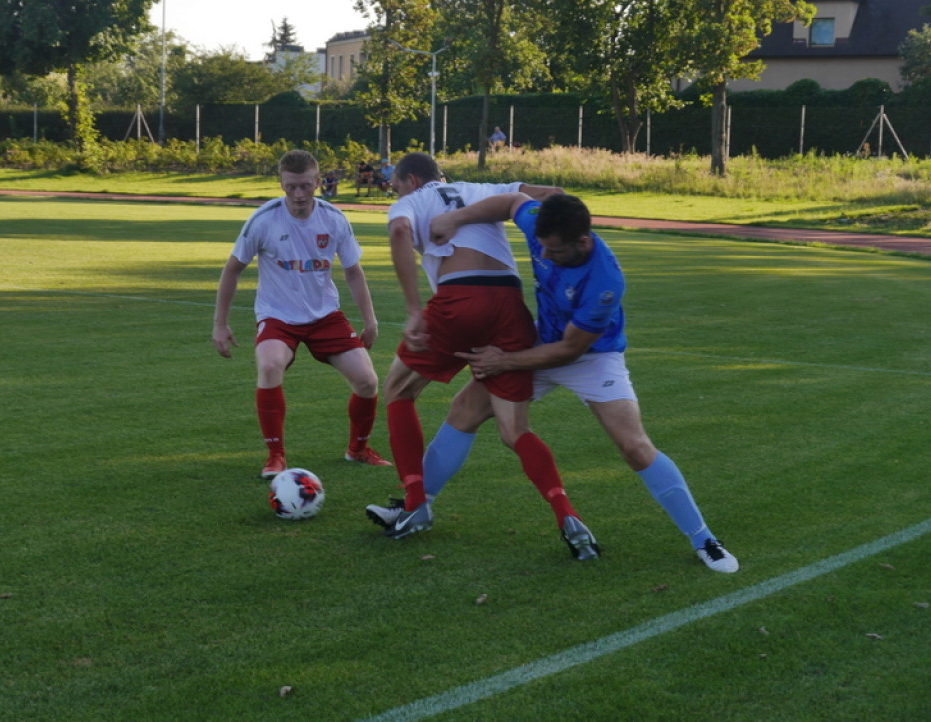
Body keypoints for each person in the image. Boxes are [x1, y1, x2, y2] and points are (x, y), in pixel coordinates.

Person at [427, 192, 739, 573]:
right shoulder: (545, 226)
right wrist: (457, 217)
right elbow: (512, 202)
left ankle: (704, 539)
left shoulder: (605, 281)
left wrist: (504, 360)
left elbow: (570, 351)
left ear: (583, 242)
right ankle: (417, 504)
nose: (544, 256)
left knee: (634, 446)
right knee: (464, 410)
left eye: (553, 251)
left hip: (592, 357)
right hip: (541, 341)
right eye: (541, 247)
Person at [366, 151, 599, 560]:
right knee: (514, 430)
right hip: (510, 307)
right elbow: (555, 195)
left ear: (411, 180)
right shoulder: (483, 189)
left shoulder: (409, 201)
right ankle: (569, 516)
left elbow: (400, 234)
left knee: (398, 390)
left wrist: (413, 308)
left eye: (396, 184)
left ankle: (415, 503)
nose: (394, 190)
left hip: (460, 298)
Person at [212, 149, 391, 479]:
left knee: (367, 380)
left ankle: (358, 450)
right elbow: (232, 270)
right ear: (280, 183)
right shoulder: (263, 220)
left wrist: (370, 319)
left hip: (325, 316)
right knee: (268, 365)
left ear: (318, 183)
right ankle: (276, 456)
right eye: (291, 186)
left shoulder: (334, 219)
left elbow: (353, 272)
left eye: (306, 186)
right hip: (278, 316)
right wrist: (220, 324)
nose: (298, 194)